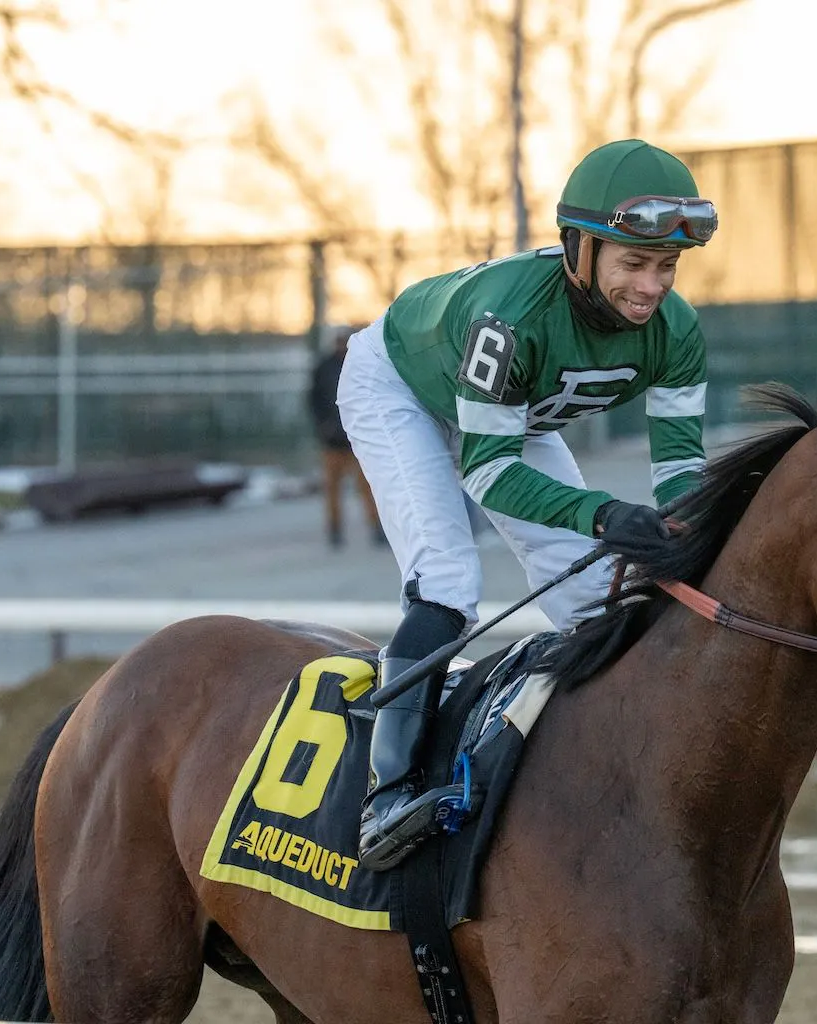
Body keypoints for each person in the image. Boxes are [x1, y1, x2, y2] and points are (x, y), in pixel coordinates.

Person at [337, 138, 718, 869]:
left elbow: (681, 478)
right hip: (402, 389)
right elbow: (487, 474)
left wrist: (688, 533)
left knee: (593, 597)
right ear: (578, 250)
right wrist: (603, 514)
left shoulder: (680, 332)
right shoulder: (509, 318)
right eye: (633, 264)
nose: (652, 287)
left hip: (517, 412)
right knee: (448, 581)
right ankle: (387, 797)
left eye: (666, 266)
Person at [308, 323, 384, 547]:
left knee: (368, 487)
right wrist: (323, 425)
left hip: (357, 439)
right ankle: (334, 529)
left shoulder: (359, 364)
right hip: (332, 440)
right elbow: (314, 400)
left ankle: (376, 527)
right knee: (332, 488)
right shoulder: (324, 367)